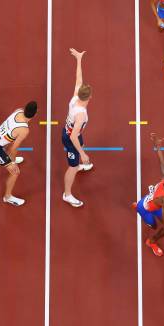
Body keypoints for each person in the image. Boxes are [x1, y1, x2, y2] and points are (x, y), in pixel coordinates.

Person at [133, 133, 164, 264]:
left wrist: (157, 146)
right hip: (145, 208)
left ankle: (151, 241)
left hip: (154, 203)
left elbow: (162, 162)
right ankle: (137, 207)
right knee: (154, 226)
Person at [0, 102, 37, 206]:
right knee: (15, 172)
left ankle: (8, 159)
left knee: (11, 140)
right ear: (35, 114)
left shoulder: (18, 110)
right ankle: (7, 197)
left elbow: (11, 139)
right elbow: (14, 147)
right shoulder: (24, 130)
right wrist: (12, 162)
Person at [62, 48, 93, 207]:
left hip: (70, 129)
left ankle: (80, 161)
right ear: (89, 97)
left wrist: (79, 59)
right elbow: (74, 137)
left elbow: (78, 77)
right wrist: (82, 154)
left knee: (81, 142)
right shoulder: (80, 114)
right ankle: (67, 194)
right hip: (70, 137)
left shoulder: (75, 96)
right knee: (72, 168)